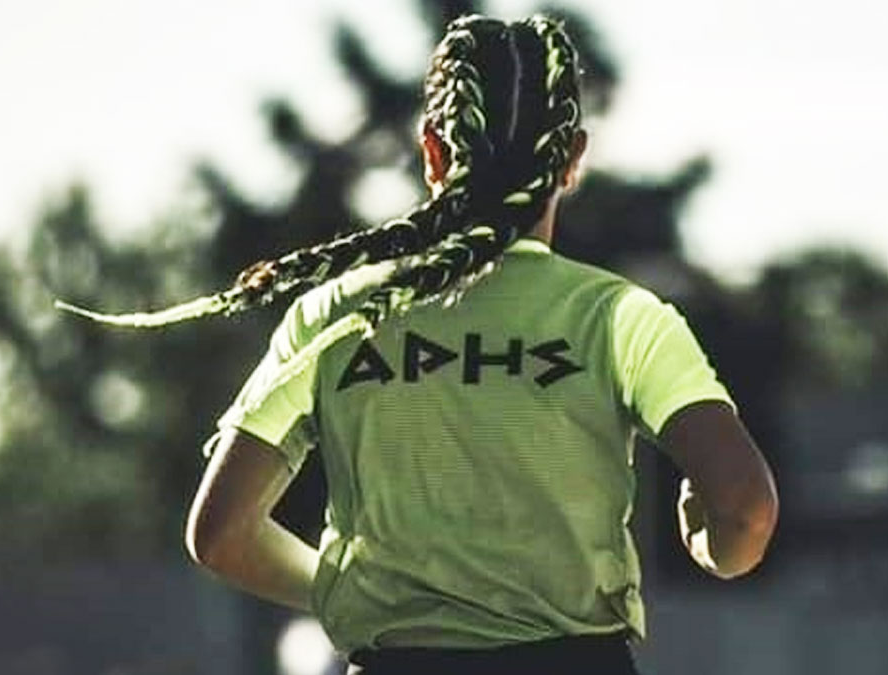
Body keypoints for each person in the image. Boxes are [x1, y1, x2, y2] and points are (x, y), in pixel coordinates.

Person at [62, 13, 777, 675]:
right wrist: (712, 545)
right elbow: (745, 510)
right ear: (572, 158)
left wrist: (362, 590)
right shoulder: (621, 317)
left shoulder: (332, 316)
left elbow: (221, 535)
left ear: (432, 151)